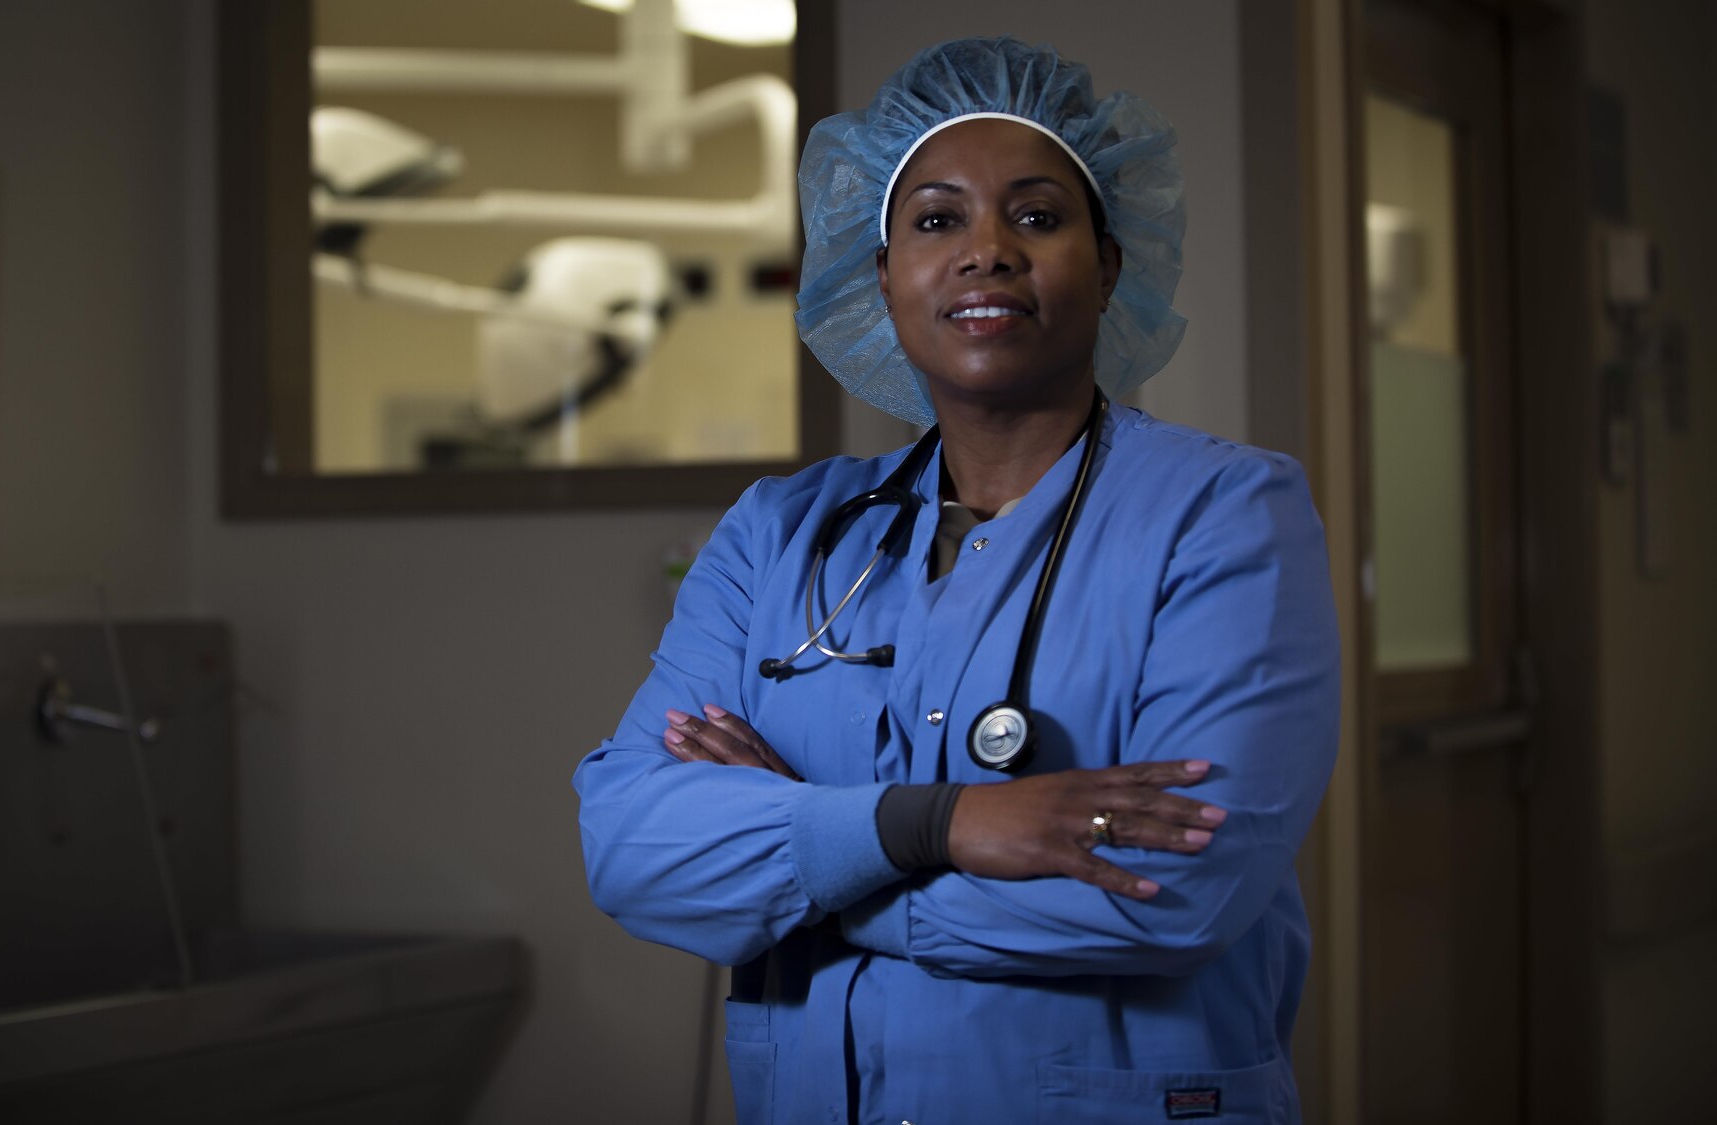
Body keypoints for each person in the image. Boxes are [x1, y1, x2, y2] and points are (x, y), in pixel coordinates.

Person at [573, 36, 1338, 1124]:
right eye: (935, 220)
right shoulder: (776, 536)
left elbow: (1173, 891)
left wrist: (795, 864)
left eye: (1035, 216)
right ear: (876, 273)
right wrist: (929, 825)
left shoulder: (1220, 517)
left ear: (1108, 261)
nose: (987, 251)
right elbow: (635, 849)